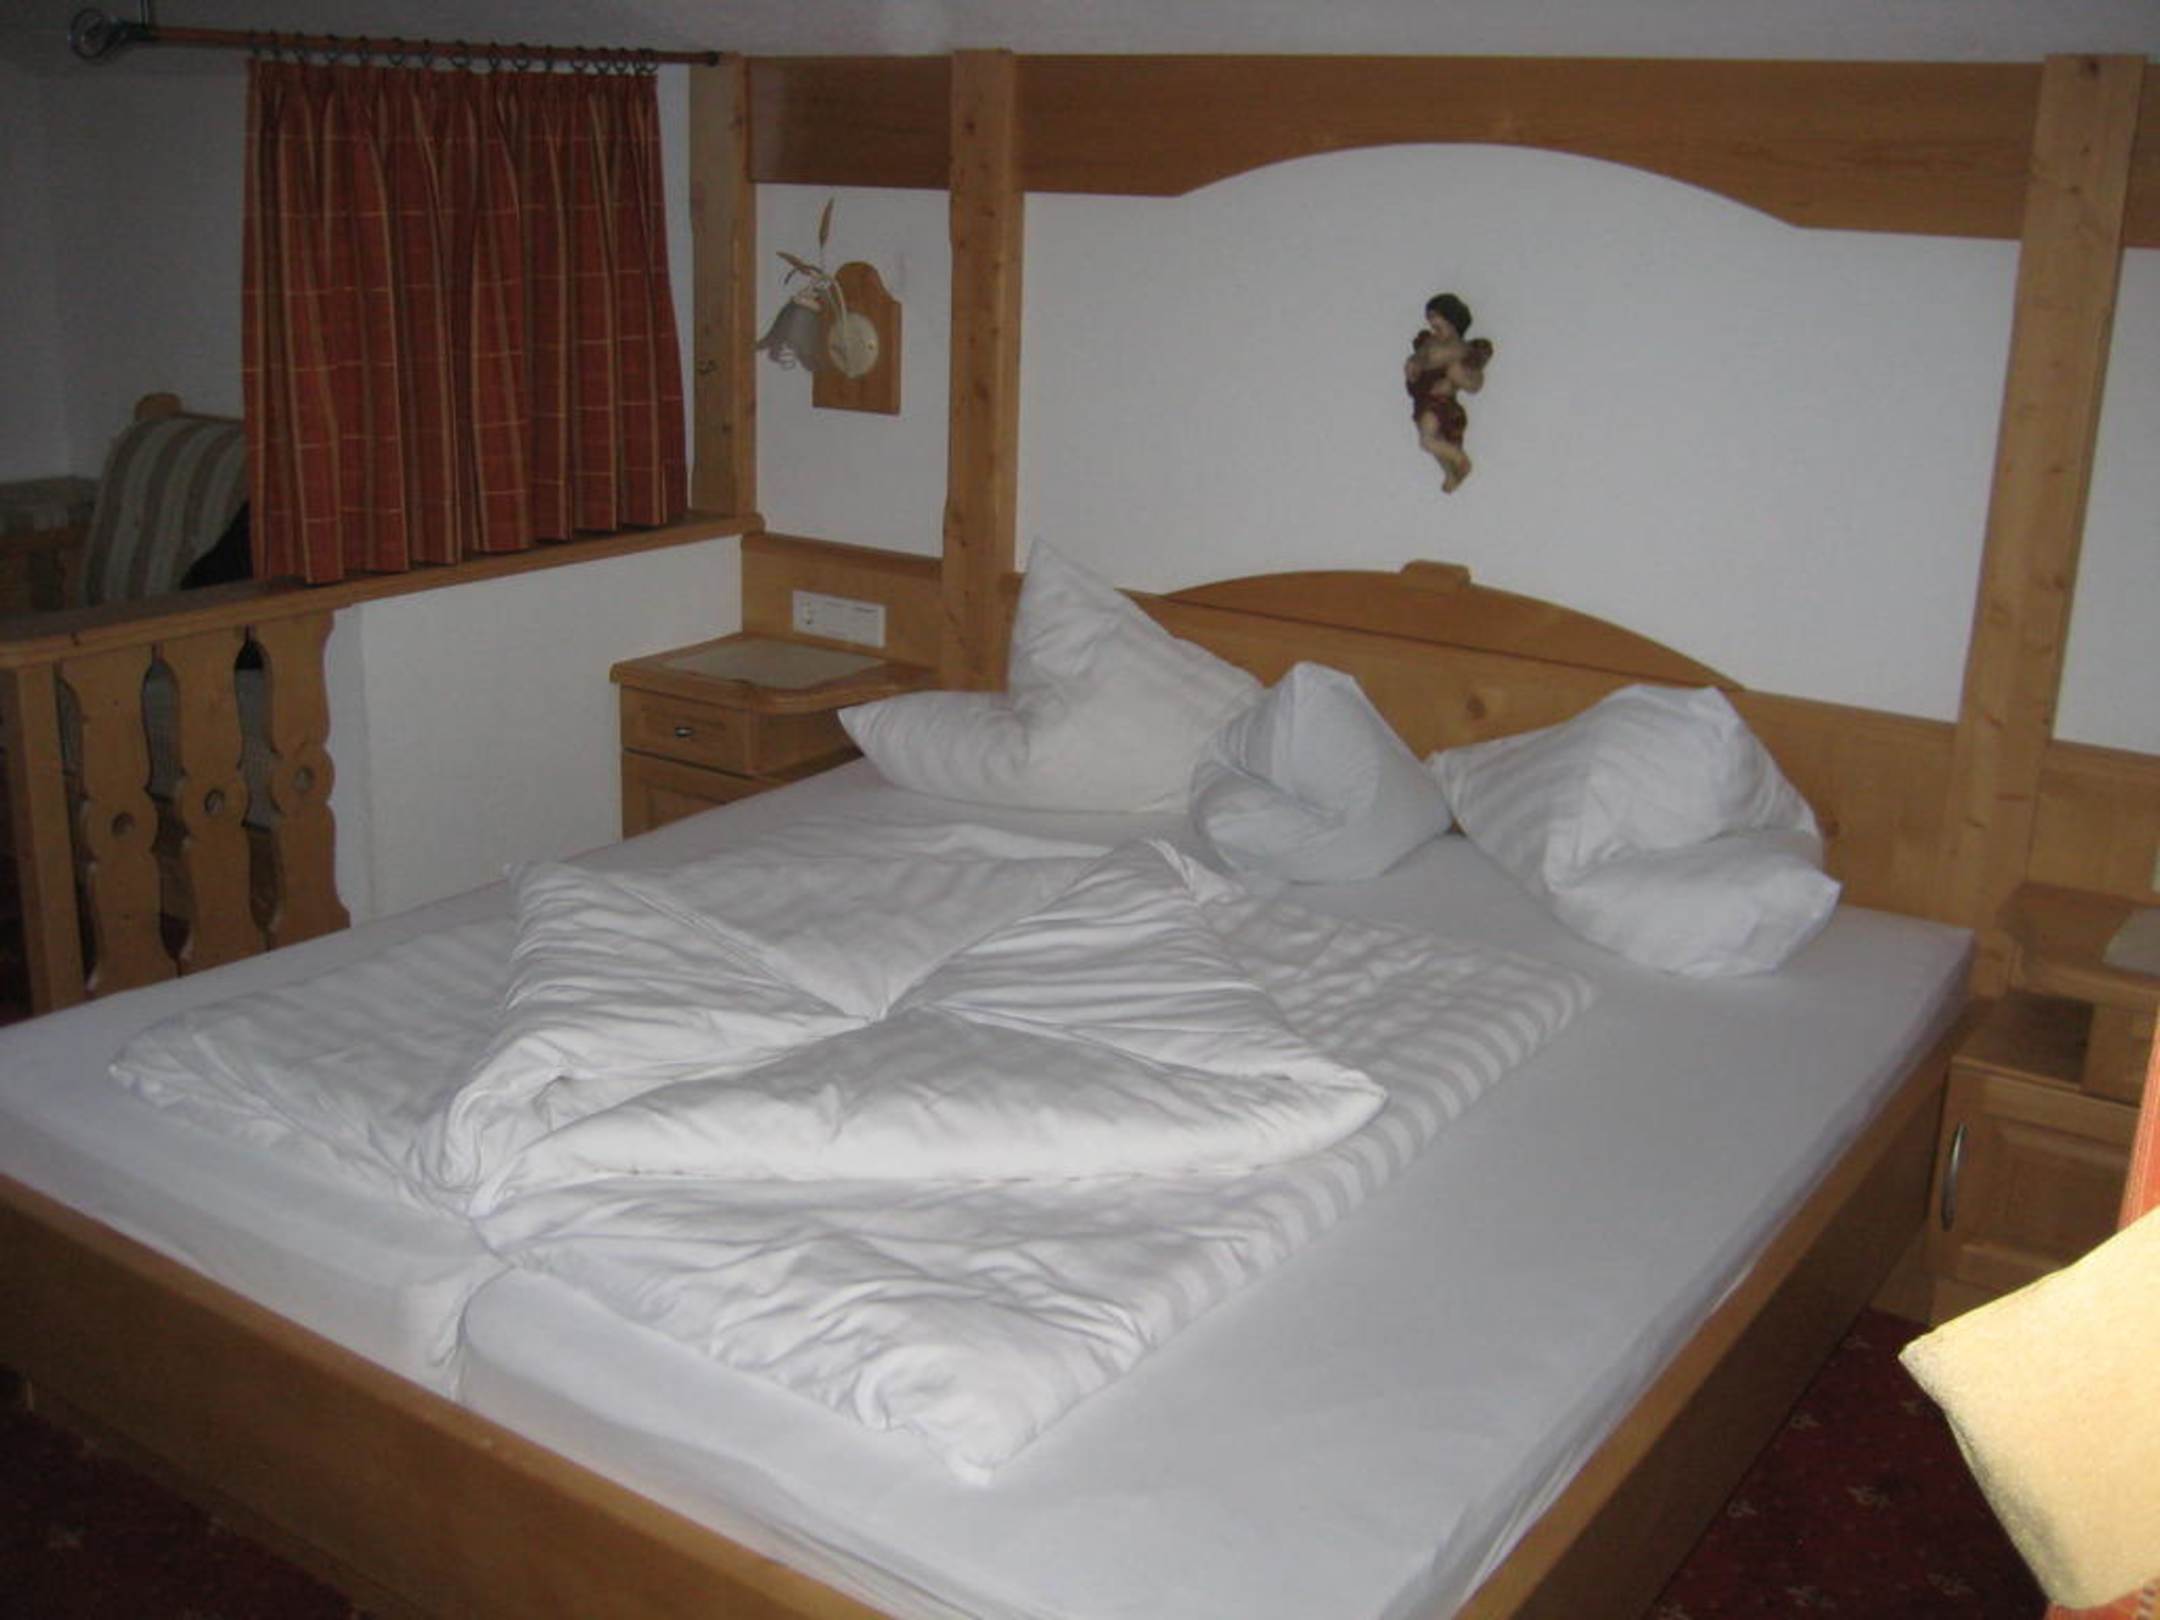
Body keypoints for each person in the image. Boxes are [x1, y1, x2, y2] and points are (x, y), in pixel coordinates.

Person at [1405, 293, 1492, 491]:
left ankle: (1460, 460)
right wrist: (1413, 364)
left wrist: (1452, 381)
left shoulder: (1460, 348)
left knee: (1427, 440)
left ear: (1451, 319)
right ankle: (1450, 472)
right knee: (1436, 441)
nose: (1432, 323)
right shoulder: (1430, 343)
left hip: (1440, 402)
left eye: (1435, 317)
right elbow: (1420, 358)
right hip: (1424, 398)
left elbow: (1472, 380)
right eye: (1429, 318)